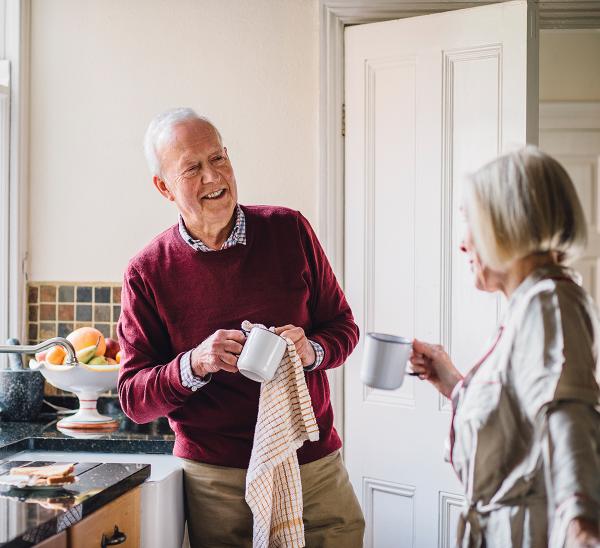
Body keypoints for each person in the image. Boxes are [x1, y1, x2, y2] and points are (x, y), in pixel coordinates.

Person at [117, 108, 364, 547]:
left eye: (219, 158)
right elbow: (134, 398)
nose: (213, 177)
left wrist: (312, 352)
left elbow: (343, 327)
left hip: (312, 465)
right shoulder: (147, 272)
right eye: (192, 168)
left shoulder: (289, 230)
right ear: (163, 187)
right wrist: (194, 364)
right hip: (217, 480)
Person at [410, 146, 600, 548]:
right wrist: (452, 382)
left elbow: (567, 419)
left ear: (509, 225)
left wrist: (583, 527)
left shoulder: (548, 303)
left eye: (471, 223)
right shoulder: (531, 303)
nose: (463, 244)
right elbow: (521, 422)